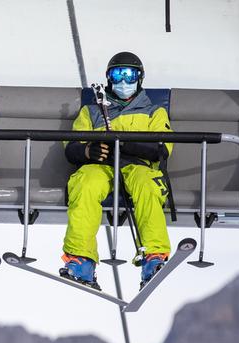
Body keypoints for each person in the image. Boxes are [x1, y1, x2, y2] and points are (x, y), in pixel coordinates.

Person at [60, 51, 173, 289]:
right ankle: (80, 259)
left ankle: (153, 256)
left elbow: (161, 149)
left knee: (146, 187)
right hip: (101, 166)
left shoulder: (154, 112)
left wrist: (124, 143)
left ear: (140, 79)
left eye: (130, 75)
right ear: (108, 78)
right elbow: (72, 147)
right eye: (117, 75)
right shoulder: (92, 112)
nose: (123, 82)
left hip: (137, 166)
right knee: (84, 184)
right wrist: (88, 151)